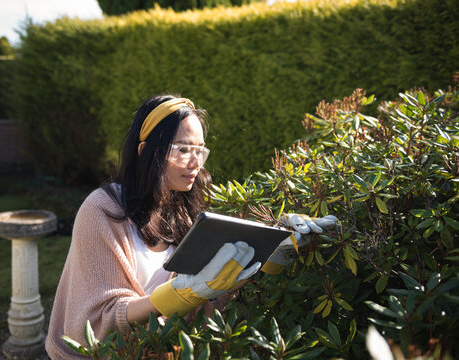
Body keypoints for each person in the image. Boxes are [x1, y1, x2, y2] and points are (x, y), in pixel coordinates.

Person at [45, 95, 338, 359]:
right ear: (146, 151)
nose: (195, 162)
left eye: (200, 150)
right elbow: (101, 318)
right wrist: (181, 294)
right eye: (183, 149)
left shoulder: (184, 209)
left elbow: (208, 297)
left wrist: (273, 251)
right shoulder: (102, 210)